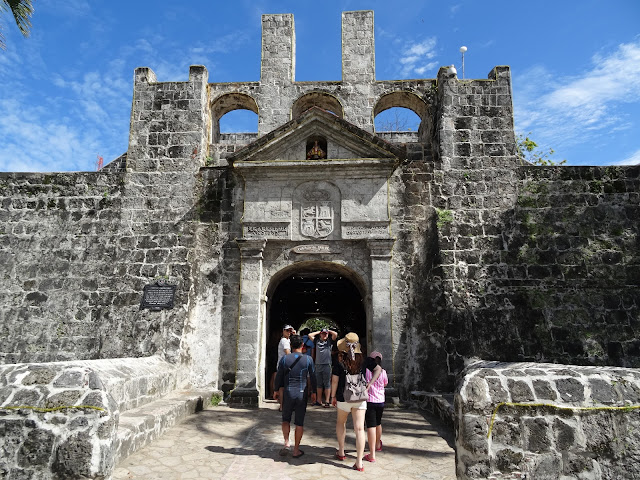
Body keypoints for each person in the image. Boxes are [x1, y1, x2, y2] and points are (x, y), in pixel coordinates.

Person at [330, 332, 381, 472]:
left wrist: (332, 396)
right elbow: (379, 369)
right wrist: (369, 384)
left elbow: (334, 380)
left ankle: (341, 452)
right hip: (360, 398)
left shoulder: (339, 360)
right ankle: (359, 462)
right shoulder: (364, 360)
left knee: (341, 423)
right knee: (359, 429)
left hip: (343, 397)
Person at [274, 335, 317, 458]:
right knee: (299, 422)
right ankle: (296, 450)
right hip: (301, 393)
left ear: (291, 346)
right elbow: (313, 377)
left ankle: (287, 442)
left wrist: (276, 390)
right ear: (302, 346)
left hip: (288, 392)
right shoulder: (308, 359)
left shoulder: (284, 359)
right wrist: (314, 392)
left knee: (285, 419)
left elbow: (279, 376)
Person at [363, 351, 388, 462]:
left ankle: (372, 453)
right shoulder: (383, 372)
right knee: (378, 423)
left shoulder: (367, 371)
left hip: (370, 400)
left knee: (370, 426)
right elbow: (385, 383)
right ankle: (378, 444)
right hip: (381, 401)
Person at [308, 327, 337, 407]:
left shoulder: (329, 342)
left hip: (327, 365)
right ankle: (319, 400)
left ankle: (327, 401)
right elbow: (310, 335)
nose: (324, 335)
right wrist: (319, 332)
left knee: (327, 383)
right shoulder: (316, 341)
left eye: (325, 334)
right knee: (319, 384)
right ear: (320, 334)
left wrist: (329, 331)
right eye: (323, 334)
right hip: (318, 365)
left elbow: (335, 334)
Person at [272, 325, 295, 410]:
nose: (289, 332)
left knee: (283, 387)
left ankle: (283, 406)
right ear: (283, 331)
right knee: (283, 387)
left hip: (284, 366)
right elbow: (288, 353)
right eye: (287, 331)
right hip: (285, 366)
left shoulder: (288, 340)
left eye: (290, 331)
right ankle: (283, 406)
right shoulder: (284, 341)